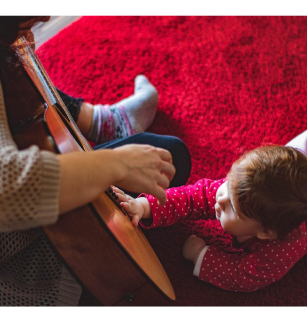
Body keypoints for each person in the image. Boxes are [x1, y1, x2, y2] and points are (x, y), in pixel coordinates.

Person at [0, 16, 191, 305]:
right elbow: (8, 190)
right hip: (24, 269)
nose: (46, 17)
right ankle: (106, 124)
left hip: (46, 203)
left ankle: (102, 122)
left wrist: (96, 172)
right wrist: (114, 166)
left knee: (168, 156)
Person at [113, 132, 307, 292]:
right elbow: (191, 198)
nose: (220, 198)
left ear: (265, 232)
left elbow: (243, 276)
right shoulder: (238, 192)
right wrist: (145, 206)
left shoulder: (280, 250)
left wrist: (200, 254)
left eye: (232, 207)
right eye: (228, 182)